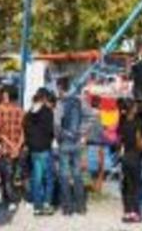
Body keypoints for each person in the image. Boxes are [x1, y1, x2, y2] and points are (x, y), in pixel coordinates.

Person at [117, 98, 142, 223]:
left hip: (125, 157)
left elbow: (118, 135)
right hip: (136, 157)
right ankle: (135, 212)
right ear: (132, 109)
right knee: (137, 186)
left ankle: (127, 212)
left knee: (127, 185)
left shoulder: (122, 122)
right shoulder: (139, 123)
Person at [54, 79, 86, 215]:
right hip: (77, 142)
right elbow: (91, 116)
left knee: (64, 175)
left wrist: (59, 136)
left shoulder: (61, 104)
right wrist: (82, 132)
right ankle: (81, 207)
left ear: (61, 88)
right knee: (78, 175)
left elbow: (56, 124)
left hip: (65, 142)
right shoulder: (79, 102)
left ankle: (67, 208)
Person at [0, 86, 24, 210]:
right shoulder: (20, 110)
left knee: (5, 175)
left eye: (5, 96)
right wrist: (17, 146)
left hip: (6, 147)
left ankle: (7, 199)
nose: (4, 98)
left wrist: (12, 145)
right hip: (15, 146)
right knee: (11, 174)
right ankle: (11, 199)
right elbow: (23, 131)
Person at [24, 88, 55, 216]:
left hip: (33, 150)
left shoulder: (28, 114)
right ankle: (47, 204)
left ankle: (37, 207)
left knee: (36, 178)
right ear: (44, 99)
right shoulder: (47, 112)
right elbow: (50, 130)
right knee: (48, 178)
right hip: (45, 148)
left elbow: (26, 131)